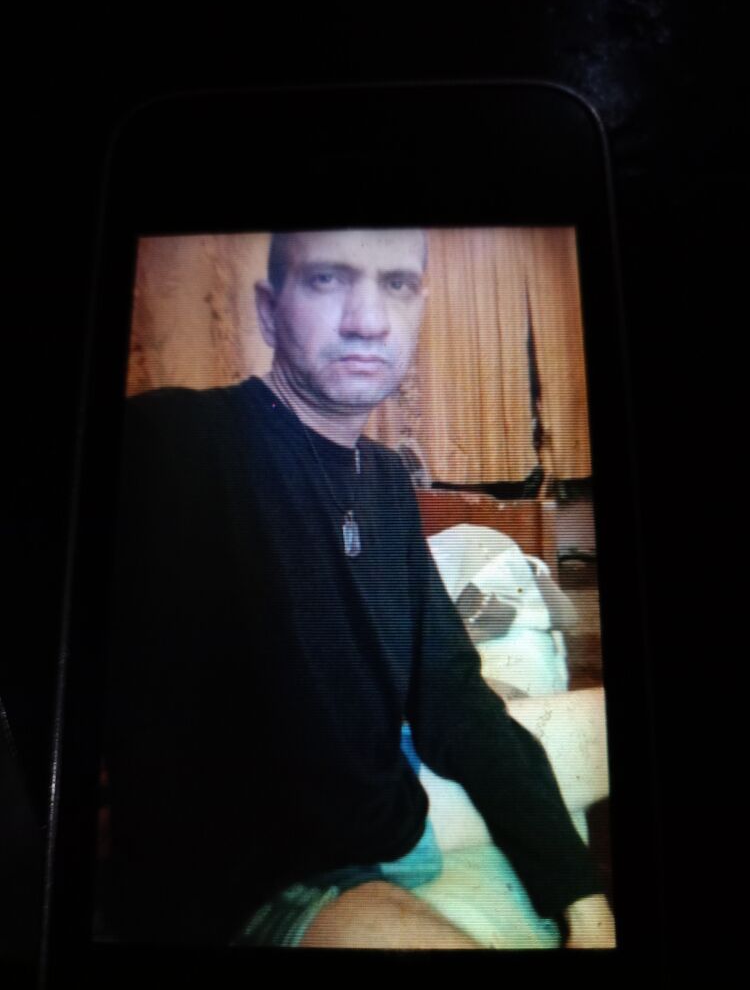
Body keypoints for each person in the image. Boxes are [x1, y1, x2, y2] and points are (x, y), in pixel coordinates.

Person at [101, 229, 614, 949]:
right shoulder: (172, 445)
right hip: (275, 877)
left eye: (396, 285)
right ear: (269, 310)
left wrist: (580, 894)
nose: (368, 320)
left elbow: (450, 695)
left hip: (393, 806)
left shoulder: (386, 481)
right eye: (327, 279)